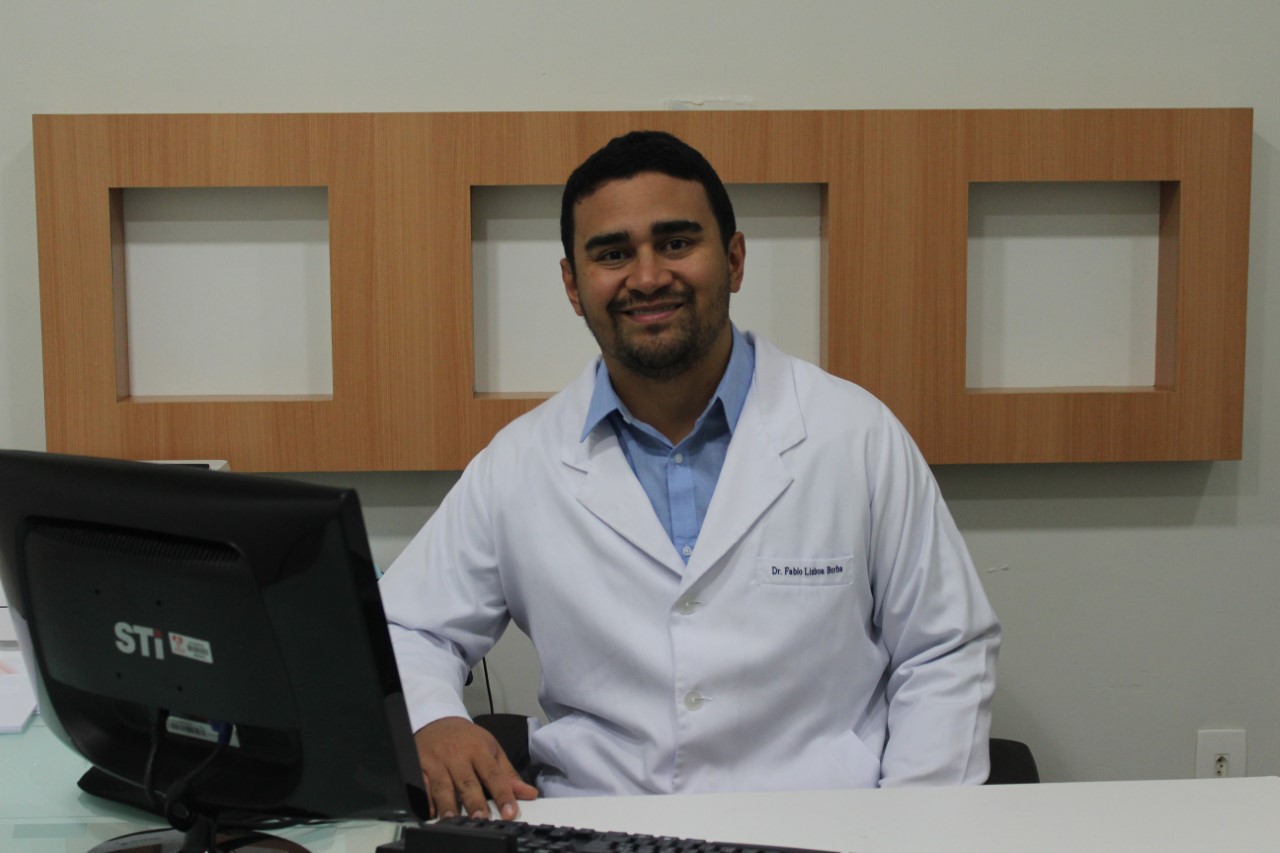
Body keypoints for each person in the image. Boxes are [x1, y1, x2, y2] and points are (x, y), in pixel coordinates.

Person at [380, 130, 1001, 821]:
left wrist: (913, 826)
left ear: (733, 260)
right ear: (573, 285)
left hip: (825, 826)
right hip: (602, 824)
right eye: (612, 253)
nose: (647, 277)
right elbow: (403, 626)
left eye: (676, 242)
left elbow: (945, 650)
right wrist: (432, 717)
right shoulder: (519, 463)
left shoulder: (855, 436)